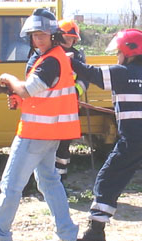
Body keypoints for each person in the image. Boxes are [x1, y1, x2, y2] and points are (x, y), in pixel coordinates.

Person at [70, 28, 142, 241]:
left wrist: (70, 62)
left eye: (118, 53)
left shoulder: (120, 72)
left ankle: (96, 230)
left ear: (129, 52)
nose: (117, 57)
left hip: (133, 139)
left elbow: (91, 74)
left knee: (108, 179)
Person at [0, 9, 80, 241]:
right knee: (49, 182)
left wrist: (9, 80)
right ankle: (67, 235)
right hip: (49, 134)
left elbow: (27, 89)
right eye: (34, 34)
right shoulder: (54, 58)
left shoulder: (50, 60)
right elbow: (39, 95)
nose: (38, 38)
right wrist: (19, 97)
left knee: (11, 185)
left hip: (34, 134)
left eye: (42, 34)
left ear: (52, 35)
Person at [55, 19, 89, 180]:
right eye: (67, 37)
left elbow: (84, 80)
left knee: (64, 145)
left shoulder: (76, 57)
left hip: (69, 107)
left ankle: (61, 179)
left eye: (72, 38)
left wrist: (75, 91)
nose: (70, 41)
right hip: (52, 106)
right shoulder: (51, 54)